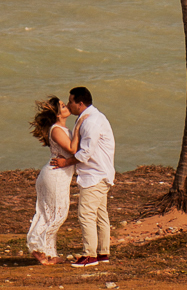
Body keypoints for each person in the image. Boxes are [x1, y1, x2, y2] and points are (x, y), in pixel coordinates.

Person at [51, 86, 115, 268]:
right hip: (100, 173)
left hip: (94, 175)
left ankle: (90, 255)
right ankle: (103, 252)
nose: (68, 105)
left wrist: (65, 162)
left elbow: (85, 152)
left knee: (86, 214)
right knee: (101, 215)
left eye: (70, 102)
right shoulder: (91, 118)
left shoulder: (91, 121)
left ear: (80, 103)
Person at [25, 96, 79, 265]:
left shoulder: (61, 128)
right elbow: (72, 149)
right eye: (63, 106)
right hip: (54, 175)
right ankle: (36, 246)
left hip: (59, 175)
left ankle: (50, 254)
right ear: (57, 114)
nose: (66, 107)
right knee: (58, 214)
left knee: (50, 214)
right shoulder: (56, 130)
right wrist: (79, 129)